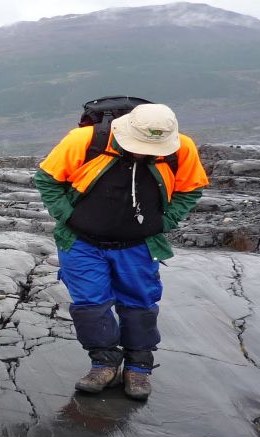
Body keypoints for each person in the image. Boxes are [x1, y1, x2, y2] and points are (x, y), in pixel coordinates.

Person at [34, 104, 209, 400]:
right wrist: (69, 217)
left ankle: (138, 367)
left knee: (140, 303)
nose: (144, 153)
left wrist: (165, 221)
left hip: (138, 244)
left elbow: (191, 189)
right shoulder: (85, 141)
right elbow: (47, 180)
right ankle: (104, 363)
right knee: (90, 304)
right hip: (82, 242)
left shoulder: (182, 148)